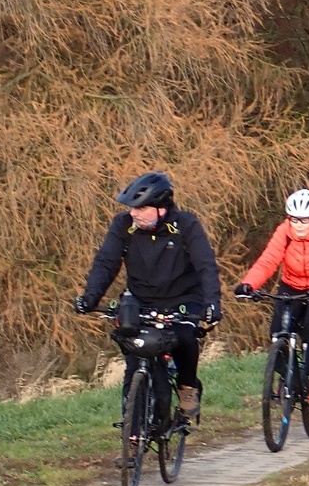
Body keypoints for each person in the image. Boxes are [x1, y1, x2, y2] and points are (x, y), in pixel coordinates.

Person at [75, 171, 221, 421]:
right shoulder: (123, 226)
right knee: (133, 351)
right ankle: (132, 426)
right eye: (132, 208)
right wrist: (90, 297)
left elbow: (206, 265)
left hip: (182, 299)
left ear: (161, 208)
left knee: (185, 338)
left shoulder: (186, 226)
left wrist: (212, 304)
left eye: (141, 208)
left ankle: (187, 386)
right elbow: (106, 262)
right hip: (140, 299)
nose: (133, 213)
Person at [234, 189, 309, 404]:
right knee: (277, 332)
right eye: (294, 219)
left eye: (304, 220)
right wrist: (249, 284)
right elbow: (268, 261)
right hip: (292, 285)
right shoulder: (284, 232)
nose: (298, 225)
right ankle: (290, 378)